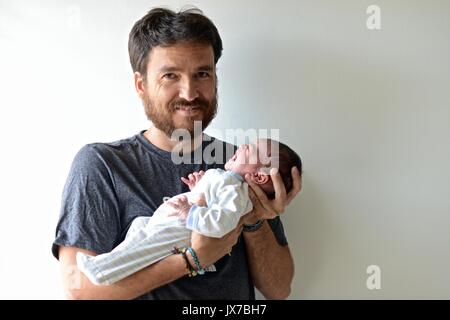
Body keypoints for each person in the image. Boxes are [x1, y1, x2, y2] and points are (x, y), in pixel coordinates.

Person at [52, 7, 302, 300]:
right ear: (141, 85)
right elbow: (80, 292)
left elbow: (278, 288)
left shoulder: (245, 164)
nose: (189, 92)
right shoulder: (103, 164)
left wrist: (254, 220)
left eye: (202, 74)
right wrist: (192, 260)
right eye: (171, 75)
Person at [76, 139, 302, 286]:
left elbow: (220, 223)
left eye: (249, 150)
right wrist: (199, 189)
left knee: (145, 247)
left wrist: (192, 211)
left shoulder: (241, 193)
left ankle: (103, 270)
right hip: (172, 220)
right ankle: (107, 263)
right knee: (139, 231)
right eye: (171, 75)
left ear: (260, 177)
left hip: (182, 229)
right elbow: (77, 292)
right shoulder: (99, 161)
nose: (241, 147)